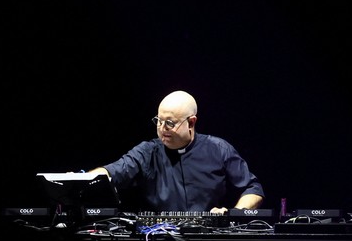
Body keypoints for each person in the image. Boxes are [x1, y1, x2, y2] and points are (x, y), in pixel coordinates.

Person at [88, 90, 263, 214]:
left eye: (170, 123)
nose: (162, 128)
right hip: (158, 240)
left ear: (192, 123)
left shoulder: (219, 149)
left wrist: (235, 214)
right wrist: (80, 179)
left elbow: (253, 188)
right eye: (159, 121)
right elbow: (112, 172)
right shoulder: (147, 152)